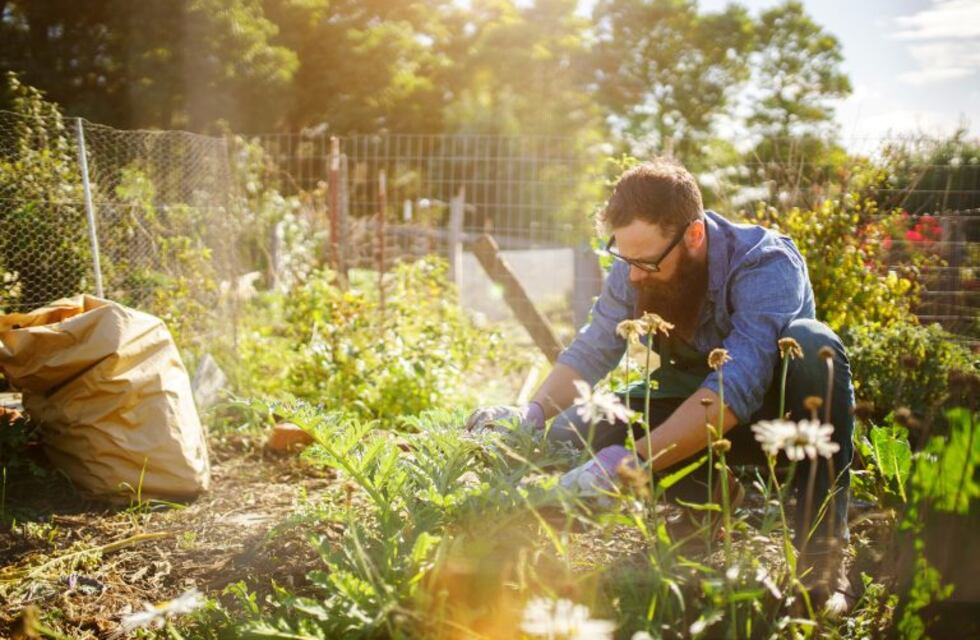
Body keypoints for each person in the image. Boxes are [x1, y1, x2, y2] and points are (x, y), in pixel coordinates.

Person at [466, 158, 855, 608]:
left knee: (813, 345)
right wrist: (528, 417)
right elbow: (595, 346)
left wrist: (634, 461)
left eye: (645, 263)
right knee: (573, 431)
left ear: (693, 235)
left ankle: (823, 563)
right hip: (690, 406)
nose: (632, 276)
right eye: (625, 258)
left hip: (778, 420)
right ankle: (710, 497)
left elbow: (739, 386)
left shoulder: (765, 265)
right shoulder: (637, 261)